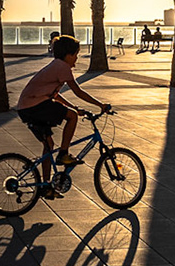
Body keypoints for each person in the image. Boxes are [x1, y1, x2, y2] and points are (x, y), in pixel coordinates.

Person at [15, 34, 107, 172]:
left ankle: (47, 187)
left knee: (48, 146)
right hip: (34, 106)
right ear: (68, 55)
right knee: (72, 116)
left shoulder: (56, 66)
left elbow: (55, 95)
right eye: (76, 54)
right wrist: (101, 105)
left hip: (26, 108)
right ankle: (63, 154)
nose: (77, 57)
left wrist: (73, 107)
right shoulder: (62, 67)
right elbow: (78, 91)